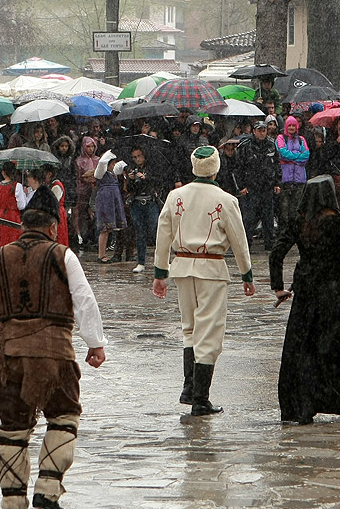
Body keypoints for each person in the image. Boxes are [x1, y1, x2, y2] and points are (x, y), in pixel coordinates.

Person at [0, 185, 107, 509]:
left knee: (12, 426)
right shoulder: (63, 256)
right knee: (63, 415)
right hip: (53, 354)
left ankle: (13, 506)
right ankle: (48, 486)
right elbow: (84, 299)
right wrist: (95, 343)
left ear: (23, 224)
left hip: (7, 355)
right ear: (51, 226)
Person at [152, 146, 255, 416]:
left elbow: (163, 235)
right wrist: (247, 274)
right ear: (216, 167)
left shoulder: (175, 196)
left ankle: (189, 387)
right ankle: (200, 398)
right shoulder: (226, 199)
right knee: (209, 333)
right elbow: (239, 240)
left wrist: (160, 272)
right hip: (211, 268)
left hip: (182, 267)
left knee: (190, 328)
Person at [269, 175, 340, 425]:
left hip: (307, 292)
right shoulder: (338, 225)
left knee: (305, 348)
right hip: (337, 295)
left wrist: (278, 287)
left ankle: (304, 404)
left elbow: (276, 254)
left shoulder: (298, 222)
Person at [234, 120, 280, 250]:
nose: (261, 133)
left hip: (267, 186)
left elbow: (276, 165)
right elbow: (238, 168)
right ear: (254, 131)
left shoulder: (271, 145)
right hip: (251, 187)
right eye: (259, 130)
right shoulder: (245, 146)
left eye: (264, 130)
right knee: (249, 218)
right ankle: (246, 245)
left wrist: (277, 182)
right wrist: (241, 186)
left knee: (268, 218)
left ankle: (269, 244)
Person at [125, 145, 160, 273]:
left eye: (139, 156)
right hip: (136, 203)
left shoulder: (152, 168)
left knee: (155, 231)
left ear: (144, 156)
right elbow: (129, 189)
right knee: (139, 233)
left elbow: (158, 181)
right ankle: (141, 262)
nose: (137, 159)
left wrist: (146, 178)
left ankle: (163, 261)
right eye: (134, 157)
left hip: (150, 201)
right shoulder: (131, 169)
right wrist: (131, 179)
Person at [275, 116, 311, 237]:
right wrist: (297, 157)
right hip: (285, 178)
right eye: (289, 125)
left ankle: (295, 231)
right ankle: (284, 232)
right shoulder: (280, 138)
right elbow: (281, 153)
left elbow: (306, 155)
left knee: (296, 208)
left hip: (299, 178)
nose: (291, 128)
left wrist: (291, 159)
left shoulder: (301, 139)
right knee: (284, 208)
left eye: (293, 125)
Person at [93, 150, 127, 263]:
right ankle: (101, 255)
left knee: (111, 228)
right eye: (112, 164)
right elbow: (102, 162)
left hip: (113, 201)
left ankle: (106, 253)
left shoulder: (114, 175)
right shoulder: (101, 173)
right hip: (105, 201)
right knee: (105, 229)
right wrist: (111, 151)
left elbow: (123, 164)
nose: (114, 166)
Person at [0, 163, 26, 249]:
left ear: (3, 172)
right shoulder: (17, 186)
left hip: (0, 215)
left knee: (0, 239)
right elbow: (21, 206)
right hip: (12, 216)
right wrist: (25, 195)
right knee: (12, 240)